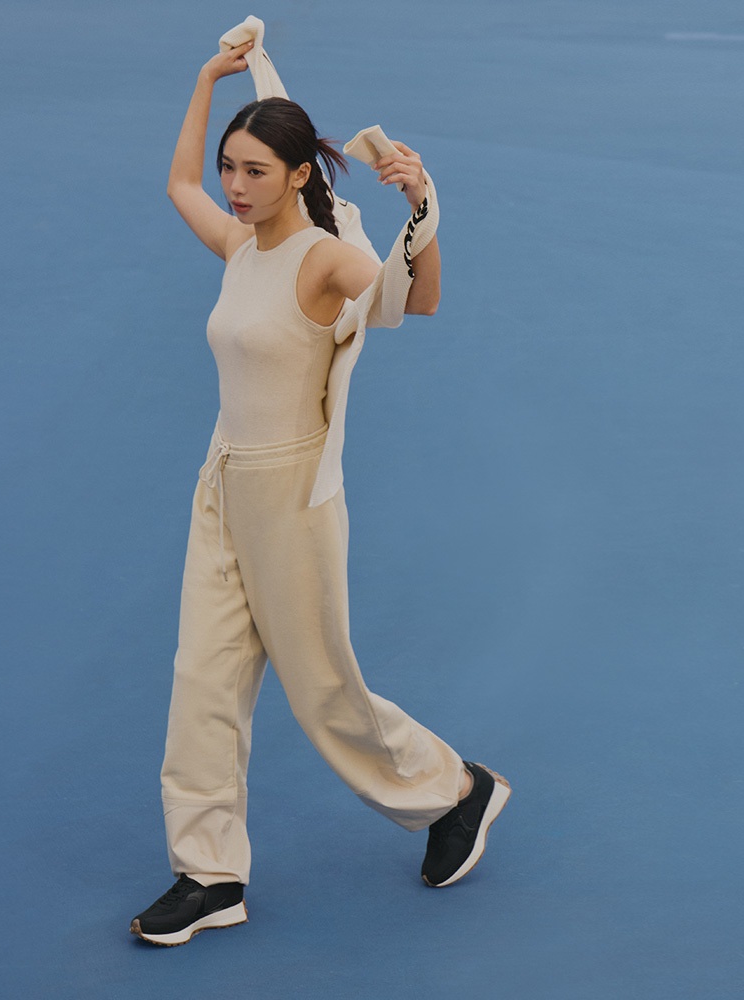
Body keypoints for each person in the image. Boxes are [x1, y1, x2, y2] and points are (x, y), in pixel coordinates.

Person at [130, 39, 510, 947]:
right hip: (223, 482)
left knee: (322, 691)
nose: (234, 186)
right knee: (202, 680)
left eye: (255, 171)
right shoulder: (240, 246)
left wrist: (423, 207)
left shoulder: (323, 261)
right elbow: (179, 184)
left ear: (300, 175)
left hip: (293, 497)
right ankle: (209, 875)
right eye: (230, 166)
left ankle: (457, 790)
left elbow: (414, 302)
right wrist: (205, 80)